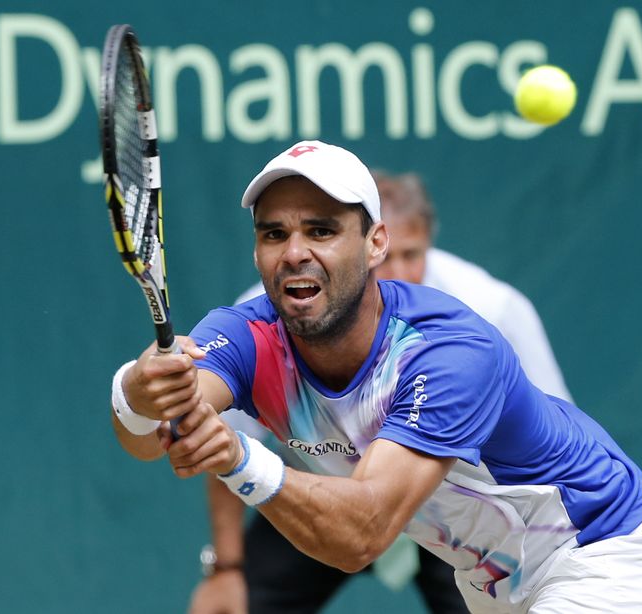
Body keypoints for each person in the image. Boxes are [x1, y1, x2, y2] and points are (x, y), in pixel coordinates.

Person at [111, 140, 642, 613]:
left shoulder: (448, 352)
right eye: (274, 233)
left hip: (605, 552)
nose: (294, 252)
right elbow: (149, 437)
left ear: (375, 244)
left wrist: (239, 459)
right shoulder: (245, 333)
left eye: (321, 230)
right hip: (492, 580)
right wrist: (138, 393)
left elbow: (361, 534)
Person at [188, 170, 574, 614]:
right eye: (390, 258)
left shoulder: (491, 308)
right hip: (318, 491)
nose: (399, 272)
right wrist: (226, 570)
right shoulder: (279, 307)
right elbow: (230, 436)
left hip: (456, 504)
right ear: (365, 248)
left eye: (413, 254)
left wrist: (555, 553)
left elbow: (551, 431)